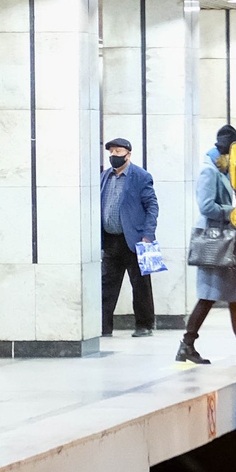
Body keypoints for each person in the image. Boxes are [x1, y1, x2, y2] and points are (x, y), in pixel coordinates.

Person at [178, 136, 236, 366]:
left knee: (235, 296)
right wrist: (232, 212)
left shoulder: (221, 171)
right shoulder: (208, 171)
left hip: (225, 239)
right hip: (215, 241)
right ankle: (187, 344)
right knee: (209, 296)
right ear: (223, 153)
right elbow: (206, 206)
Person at [98, 136, 159, 338]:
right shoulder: (105, 176)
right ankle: (103, 326)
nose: (114, 155)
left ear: (128, 154)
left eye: (118, 152)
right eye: (111, 152)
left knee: (140, 285)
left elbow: (152, 206)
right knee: (107, 285)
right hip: (111, 239)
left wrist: (148, 235)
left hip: (135, 239)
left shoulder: (141, 176)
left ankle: (144, 325)